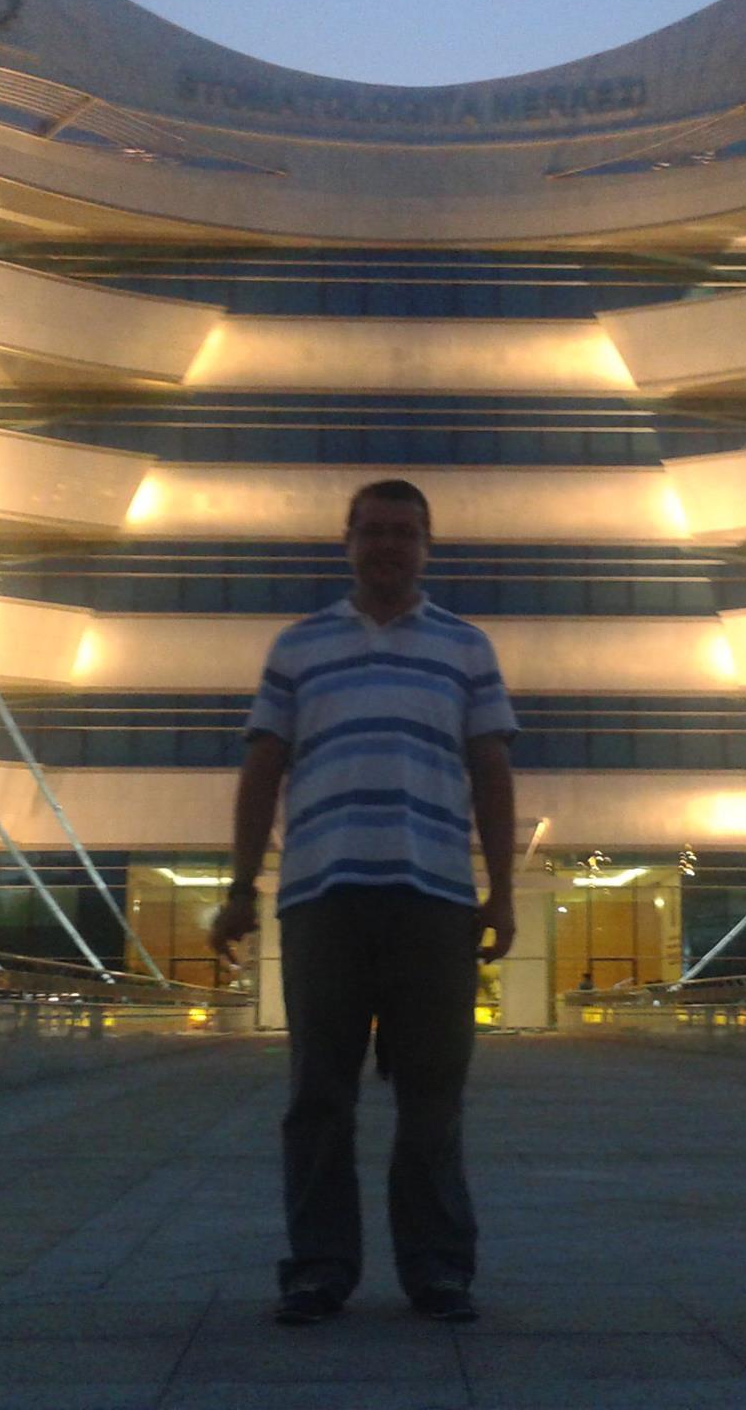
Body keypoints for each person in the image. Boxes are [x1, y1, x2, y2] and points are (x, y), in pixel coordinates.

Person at [209, 478, 517, 1328]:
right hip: (323, 896)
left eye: (404, 533)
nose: (387, 545)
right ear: (346, 542)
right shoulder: (298, 646)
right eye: (373, 531)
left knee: (433, 1098)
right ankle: (318, 1270)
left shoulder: (466, 647)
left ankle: (437, 1270)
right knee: (318, 1096)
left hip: (434, 899)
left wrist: (501, 893)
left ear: (427, 546)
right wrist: (239, 888)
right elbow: (261, 769)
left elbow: (492, 772)